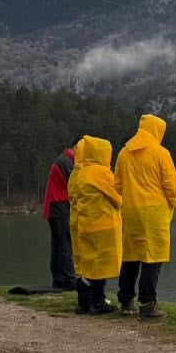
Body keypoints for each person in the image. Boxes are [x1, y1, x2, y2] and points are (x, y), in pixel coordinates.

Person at [114, 114, 176, 320]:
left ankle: (126, 301)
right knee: (153, 257)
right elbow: (172, 185)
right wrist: (172, 203)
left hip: (131, 211)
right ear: (156, 131)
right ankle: (148, 303)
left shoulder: (124, 153)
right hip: (154, 212)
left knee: (131, 257)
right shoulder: (161, 153)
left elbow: (117, 184)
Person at [68, 134, 122, 315]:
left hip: (82, 223)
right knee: (100, 266)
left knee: (85, 265)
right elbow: (117, 196)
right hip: (102, 224)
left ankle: (83, 301)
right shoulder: (100, 173)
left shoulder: (79, 173)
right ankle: (98, 302)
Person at [42, 144, 77, 290]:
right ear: (76, 147)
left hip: (55, 206)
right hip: (59, 206)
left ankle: (59, 279)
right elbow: (76, 184)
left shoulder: (63, 160)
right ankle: (69, 279)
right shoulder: (66, 162)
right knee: (65, 244)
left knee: (58, 244)